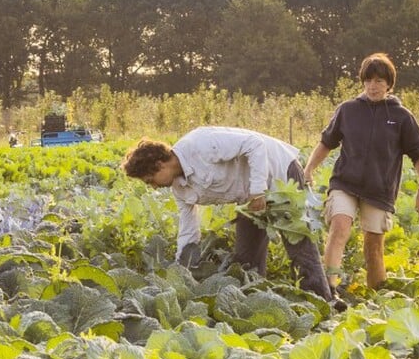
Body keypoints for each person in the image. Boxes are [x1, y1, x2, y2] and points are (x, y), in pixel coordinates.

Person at [122, 127, 335, 301]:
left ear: (159, 165)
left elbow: (254, 144)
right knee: (246, 256)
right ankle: (256, 301)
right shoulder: (180, 189)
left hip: (279, 175)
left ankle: (321, 302)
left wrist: (258, 190)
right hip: (248, 198)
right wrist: (181, 268)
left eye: (150, 180)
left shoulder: (200, 144)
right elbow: (188, 229)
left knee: (298, 244)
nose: (153, 186)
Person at [303, 52, 419, 292]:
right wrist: (309, 168)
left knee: (373, 247)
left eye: (379, 81)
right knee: (339, 227)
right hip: (345, 183)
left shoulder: (401, 116)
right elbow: (326, 142)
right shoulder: (348, 110)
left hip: (379, 190)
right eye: (369, 81)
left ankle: (376, 298)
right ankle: (327, 291)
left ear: (389, 84)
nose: (373, 86)